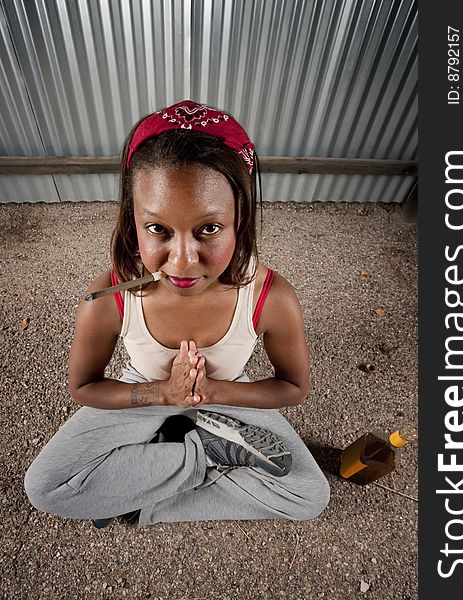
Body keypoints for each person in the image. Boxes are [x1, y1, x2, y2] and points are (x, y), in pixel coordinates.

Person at [24, 100, 330, 528]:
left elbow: (293, 387)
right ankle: (204, 453)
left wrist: (213, 393)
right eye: (158, 229)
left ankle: (151, 489)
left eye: (209, 228)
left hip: (226, 397)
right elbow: (83, 386)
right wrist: (163, 395)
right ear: (132, 221)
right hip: (147, 391)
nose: (184, 261)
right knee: (45, 486)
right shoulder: (107, 296)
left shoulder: (271, 296)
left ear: (239, 218)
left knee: (309, 494)